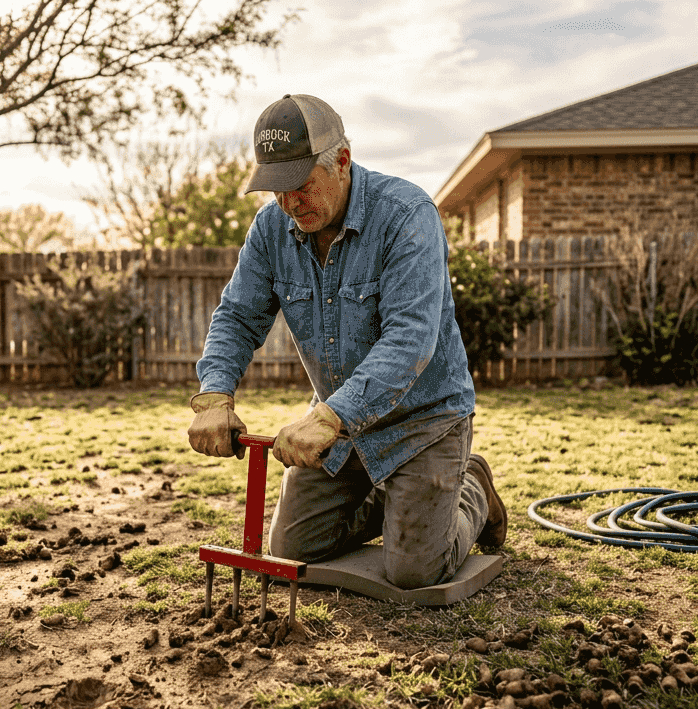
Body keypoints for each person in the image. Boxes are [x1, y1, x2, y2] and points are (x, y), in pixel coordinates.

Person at [187, 94, 506, 590]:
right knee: (294, 548)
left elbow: (410, 341)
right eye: (279, 190)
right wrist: (213, 395)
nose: (293, 203)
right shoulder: (272, 229)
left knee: (415, 571)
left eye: (303, 185)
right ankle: (402, 501)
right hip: (340, 423)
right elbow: (237, 315)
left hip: (424, 420)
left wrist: (328, 418)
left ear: (342, 160)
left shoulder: (405, 215)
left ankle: (471, 490)